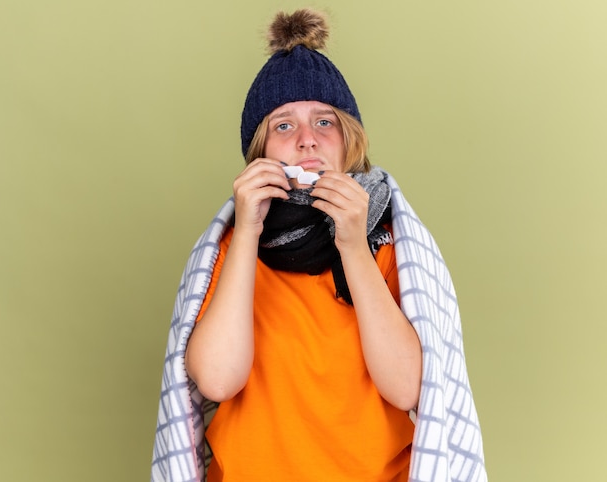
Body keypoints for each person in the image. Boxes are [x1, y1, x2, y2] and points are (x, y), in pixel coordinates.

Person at [152, 9, 487, 482]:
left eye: (324, 122)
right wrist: (247, 231)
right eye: (284, 126)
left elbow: (415, 389)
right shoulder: (231, 246)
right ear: (260, 154)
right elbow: (216, 380)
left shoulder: (391, 242)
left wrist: (352, 244)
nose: (307, 141)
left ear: (350, 142)